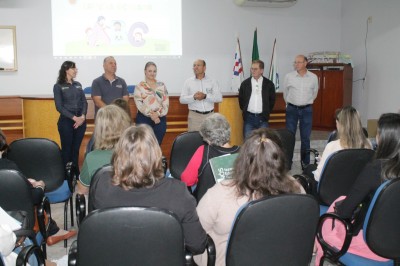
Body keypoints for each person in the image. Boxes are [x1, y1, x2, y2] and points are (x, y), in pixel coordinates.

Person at [90, 124, 207, 254]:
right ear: (156, 155)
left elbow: (97, 233)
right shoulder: (177, 192)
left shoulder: (103, 185)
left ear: (119, 155)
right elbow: (197, 245)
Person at [194, 128, 304, 266]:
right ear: (280, 159)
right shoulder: (297, 188)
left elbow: (195, 234)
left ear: (241, 160)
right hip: (281, 257)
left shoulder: (219, 193)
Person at [315, 113, 400, 265]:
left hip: (371, 245)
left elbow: (344, 212)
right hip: (395, 243)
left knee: (327, 220)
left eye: (378, 133)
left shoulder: (375, 169)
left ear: (385, 138)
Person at [0, 129, 76, 246]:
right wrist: (40, 186)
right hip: (16, 224)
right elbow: (34, 197)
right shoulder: (8, 167)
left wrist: (24, 182)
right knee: (36, 200)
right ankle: (52, 231)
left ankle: (52, 230)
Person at [181, 113, 240, 202]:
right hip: (237, 204)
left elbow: (186, 180)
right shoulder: (243, 152)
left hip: (208, 206)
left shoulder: (203, 151)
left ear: (208, 137)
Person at [77, 105, 131, 195]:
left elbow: (82, 192)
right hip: (133, 206)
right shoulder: (138, 153)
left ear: (99, 130)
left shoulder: (91, 158)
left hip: (103, 208)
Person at [309, 106, 372, 182]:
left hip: (333, 189)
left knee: (309, 169)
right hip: (356, 188)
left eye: (336, 123)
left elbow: (319, 177)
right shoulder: (368, 144)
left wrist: (321, 164)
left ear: (340, 125)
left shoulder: (332, 146)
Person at [283, 55, 319, 167]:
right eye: (295, 62)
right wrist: (290, 103)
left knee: (305, 138)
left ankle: (305, 163)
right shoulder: (289, 76)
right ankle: (287, 162)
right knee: (289, 137)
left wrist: (306, 102)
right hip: (292, 109)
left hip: (307, 109)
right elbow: (285, 93)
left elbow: (315, 93)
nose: (296, 64)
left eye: (299, 62)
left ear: (305, 63)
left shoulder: (313, 77)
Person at [53, 61, 87, 167]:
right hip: (66, 121)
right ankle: (66, 176)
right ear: (66, 70)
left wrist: (82, 116)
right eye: (73, 68)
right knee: (67, 150)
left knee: (76, 150)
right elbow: (59, 107)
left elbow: (84, 102)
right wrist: (74, 118)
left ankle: (75, 173)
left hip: (80, 121)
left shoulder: (78, 85)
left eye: (76, 68)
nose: (76, 70)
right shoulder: (58, 86)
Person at [180, 59, 222, 131]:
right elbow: (182, 99)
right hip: (194, 116)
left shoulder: (213, 81)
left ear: (204, 68)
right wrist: (193, 97)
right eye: (194, 65)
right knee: (194, 140)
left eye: (198, 65)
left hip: (210, 116)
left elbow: (219, 98)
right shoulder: (188, 82)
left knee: (210, 139)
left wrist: (205, 96)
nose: (195, 67)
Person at [238, 59, 276, 139]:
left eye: (255, 69)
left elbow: (272, 101)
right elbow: (241, 100)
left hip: (263, 118)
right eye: (252, 68)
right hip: (249, 118)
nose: (253, 71)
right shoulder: (245, 84)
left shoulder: (269, 84)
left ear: (261, 70)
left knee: (263, 142)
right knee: (248, 141)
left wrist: (266, 112)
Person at [134, 62, 169, 145]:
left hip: (160, 118)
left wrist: (157, 113)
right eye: (150, 71)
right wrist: (152, 115)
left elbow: (166, 103)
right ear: (145, 71)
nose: (152, 73)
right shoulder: (139, 86)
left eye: (154, 71)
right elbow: (140, 105)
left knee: (157, 144)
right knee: (143, 145)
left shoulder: (162, 85)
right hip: (144, 118)